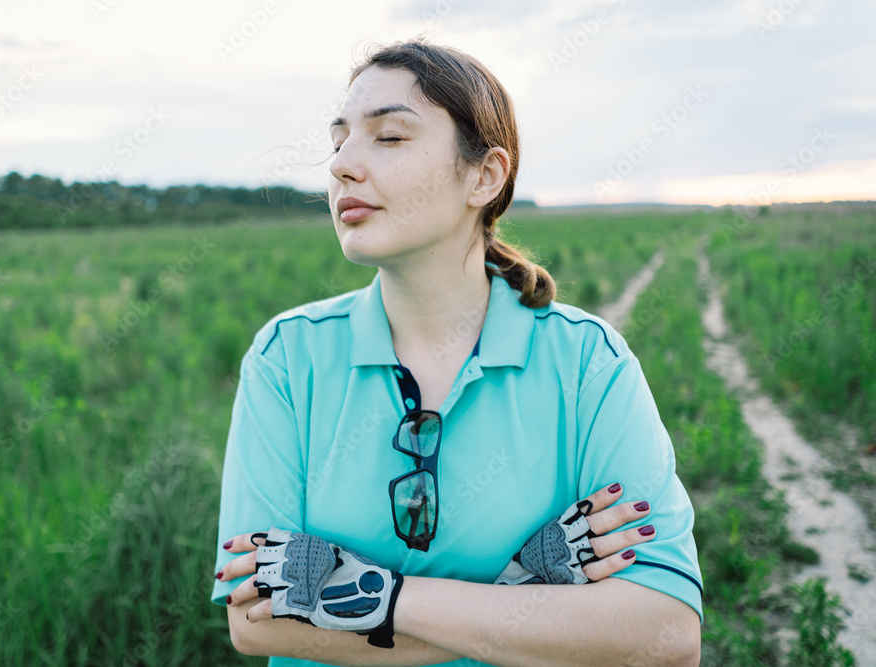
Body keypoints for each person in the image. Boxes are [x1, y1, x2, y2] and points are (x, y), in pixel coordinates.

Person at [212, 39, 703, 666]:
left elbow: (664, 636)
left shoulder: (586, 363)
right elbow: (256, 622)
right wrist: (526, 590)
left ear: (484, 176)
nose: (342, 166)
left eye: (388, 138)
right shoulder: (287, 358)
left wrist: (371, 596)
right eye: (339, 141)